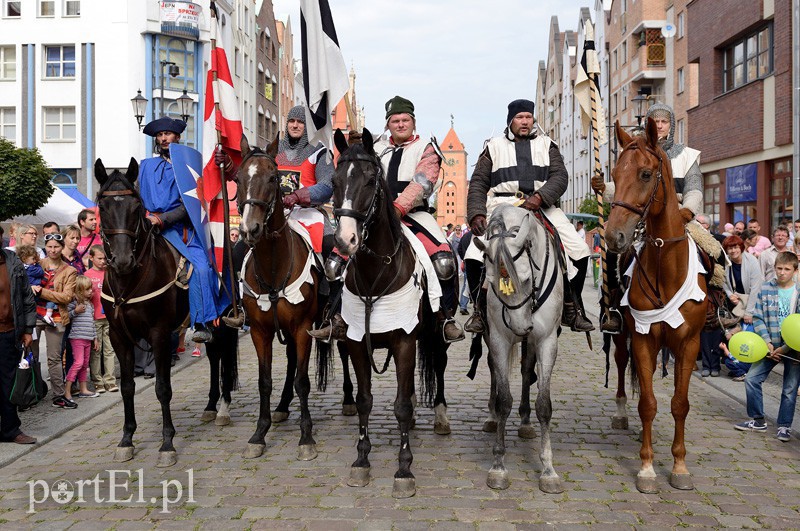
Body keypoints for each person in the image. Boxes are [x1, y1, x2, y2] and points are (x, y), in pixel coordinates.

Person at [309, 96, 464, 342]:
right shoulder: (377, 147)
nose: (400, 125)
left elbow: (423, 181)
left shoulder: (426, 148)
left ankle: (443, 317)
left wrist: (398, 207)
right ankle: (336, 317)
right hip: (373, 218)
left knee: (443, 259)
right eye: (395, 121)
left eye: (405, 120)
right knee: (335, 263)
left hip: (414, 214)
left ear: (413, 122)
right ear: (388, 124)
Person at [467, 98, 593, 333]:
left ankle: (572, 306)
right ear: (510, 120)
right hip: (501, 206)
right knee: (473, 255)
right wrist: (476, 214)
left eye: (528, 117)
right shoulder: (493, 146)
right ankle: (479, 310)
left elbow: (559, 176)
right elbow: (478, 183)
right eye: (519, 118)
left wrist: (540, 197)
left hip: (541, 206)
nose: (525, 122)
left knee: (579, 249)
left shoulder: (548, 145)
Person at [592, 102, 704, 333]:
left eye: (665, 122)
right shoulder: (636, 152)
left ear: (671, 126)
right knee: (613, 252)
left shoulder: (686, 154)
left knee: (713, 249)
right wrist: (604, 188)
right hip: (643, 217)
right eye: (657, 122)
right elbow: (628, 187)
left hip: (680, 215)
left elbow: (695, 187)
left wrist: (689, 210)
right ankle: (614, 305)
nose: (661, 126)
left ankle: (718, 305)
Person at [139, 116, 227, 343]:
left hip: (180, 230)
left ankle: (201, 321)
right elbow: (139, 198)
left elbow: (192, 204)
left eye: (167, 134)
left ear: (177, 137)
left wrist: (163, 219)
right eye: (159, 135)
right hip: (148, 227)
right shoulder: (146, 166)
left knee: (202, 269)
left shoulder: (189, 165)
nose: (163, 138)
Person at [734, 251, 800, 442]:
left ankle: (784, 426)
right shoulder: (765, 289)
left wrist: (785, 348)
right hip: (768, 344)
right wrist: (767, 342)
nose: (782, 273)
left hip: (793, 348)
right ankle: (758, 419)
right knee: (752, 379)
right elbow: (758, 316)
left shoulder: (798, 291)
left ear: (795, 271)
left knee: (789, 388)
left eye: (787, 269)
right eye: (779, 268)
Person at [29, 233, 77, 409]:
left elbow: (66, 297)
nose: (52, 250)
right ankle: (31, 392)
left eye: (56, 246)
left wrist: (41, 291)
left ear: (62, 247)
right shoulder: (37, 264)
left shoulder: (69, 271)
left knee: (54, 358)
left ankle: (58, 395)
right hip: (34, 316)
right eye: (49, 246)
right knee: (30, 356)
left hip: (57, 317)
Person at [0, 230, 38, 444]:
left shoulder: (12, 260)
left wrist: (27, 329)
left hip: (9, 334)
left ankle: (10, 429)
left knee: (9, 384)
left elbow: (26, 297)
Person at [84, 245, 117, 393]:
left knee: (109, 350)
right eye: (99, 258)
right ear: (91, 258)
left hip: (109, 317)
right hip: (94, 318)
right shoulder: (87, 275)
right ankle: (97, 380)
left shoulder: (109, 273)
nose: (103, 261)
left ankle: (110, 380)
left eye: (105, 258)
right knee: (96, 351)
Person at [62, 276, 99, 406]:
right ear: (79, 290)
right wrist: (75, 311)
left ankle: (83, 389)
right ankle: (67, 390)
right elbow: (66, 316)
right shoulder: (74, 302)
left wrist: (95, 338)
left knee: (84, 365)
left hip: (88, 338)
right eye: (87, 289)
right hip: (77, 337)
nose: (91, 292)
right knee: (78, 363)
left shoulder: (90, 305)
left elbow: (92, 322)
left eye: (91, 289)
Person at [723, 235, 763, 327]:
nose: (733, 251)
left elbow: (755, 289)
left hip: (752, 303)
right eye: (730, 248)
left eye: (736, 247)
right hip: (734, 303)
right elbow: (723, 281)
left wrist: (749, 312)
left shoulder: (752, 261)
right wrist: (730, 294)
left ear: (741, 247)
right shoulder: (726, 261)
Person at [16, 245, 58, 326]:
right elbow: (40, 272)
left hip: (32, 288)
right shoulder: (31, 268)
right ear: (25, 259)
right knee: (51, 298)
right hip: (36, 288)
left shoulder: (21, 268)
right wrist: (38, 264)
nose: (35, 260)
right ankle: (48, 315)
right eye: (33, 258)